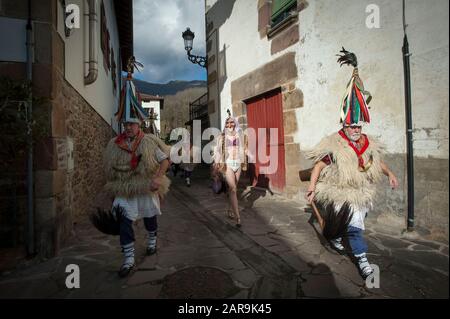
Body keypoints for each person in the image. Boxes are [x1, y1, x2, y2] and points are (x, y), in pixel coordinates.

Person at [306, 48, 398, 279]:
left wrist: (391, 174)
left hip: (361, 192)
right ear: (345, 125)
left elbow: (377, 162)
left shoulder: (368, 142)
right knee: (354, 229)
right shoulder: (334, 144)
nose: (356, 130)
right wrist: (311, 186)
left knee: (353, 223)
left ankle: (337, 236)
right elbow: (318, 165)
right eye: (352, 126)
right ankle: (363, 262)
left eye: (359, 126)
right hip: (340, 192)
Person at [103, 70, 171, 278]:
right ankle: (129, 259)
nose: (128, 127)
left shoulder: (150, 142)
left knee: (150, 217)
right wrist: (114, 189)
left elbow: (165, 160)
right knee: (124, 220)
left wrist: (158, 178)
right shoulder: (114, 145)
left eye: (132, 123)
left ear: (139, 124)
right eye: (126, 124)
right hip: (125, 189)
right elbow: (110, 170)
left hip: (146, 186)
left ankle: (152, 240)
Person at [213, 110, 247, 227]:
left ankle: (229, 208)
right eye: (227, 124)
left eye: (231, 123)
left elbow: (245, 149)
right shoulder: (221, 137)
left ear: (235, 123)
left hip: (238, 164)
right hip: (228, 165)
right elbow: (218, 152)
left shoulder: (241, 135)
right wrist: (216, 165)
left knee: (234, 189)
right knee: (233, 189)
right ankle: (238, 218)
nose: (229, 125)